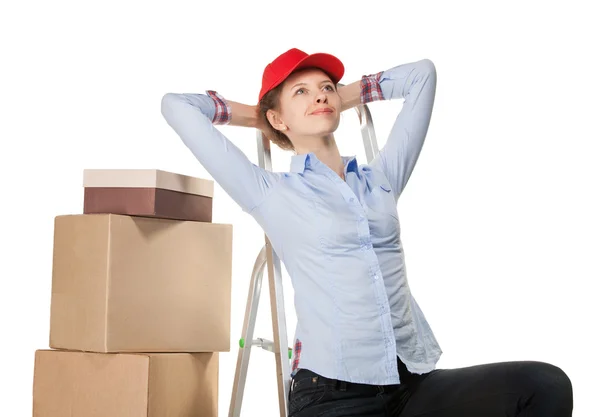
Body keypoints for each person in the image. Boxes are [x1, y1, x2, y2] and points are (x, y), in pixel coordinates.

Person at [161, 48, 573, 417]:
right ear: (277, 117)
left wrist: (344, 96)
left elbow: (422, 76)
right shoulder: (271, 193)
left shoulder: (382, 179)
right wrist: (258, 115)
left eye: (325, 87)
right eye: (300, 92)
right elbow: (175, 106)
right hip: (334, 396)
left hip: (409, 383)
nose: (319, 95)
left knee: (544, 386)